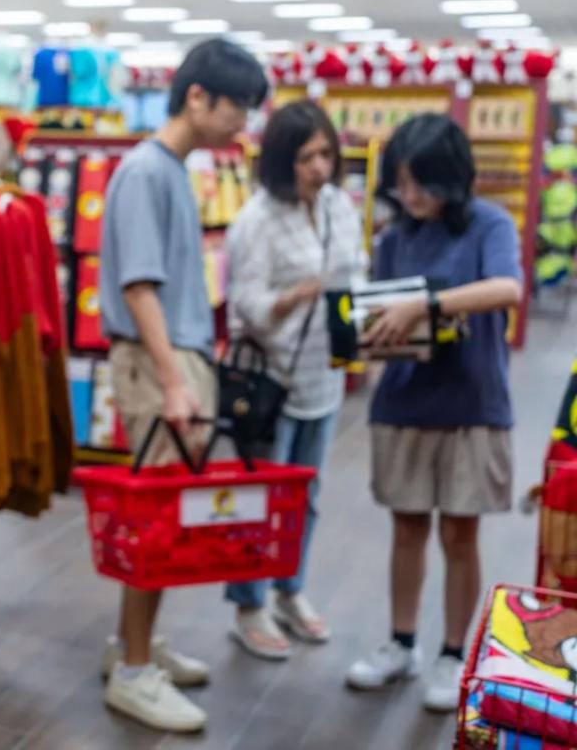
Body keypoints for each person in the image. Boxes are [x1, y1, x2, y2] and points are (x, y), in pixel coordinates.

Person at [97, 38, 268, 732]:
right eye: (237, 107)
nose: (243, 123)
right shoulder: (146, 171)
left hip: (173, 356)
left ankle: (133, 646)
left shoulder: (167, 168)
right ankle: (135, 670)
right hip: (157, 360)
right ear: (197, 96)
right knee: (158, 516)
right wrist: (174, 380)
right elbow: (139, 287)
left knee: (164, 511)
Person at [344, 114, 522, 712]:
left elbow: (507, 289)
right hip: (405, 401)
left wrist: (426, 305)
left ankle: (452, 653)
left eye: (421, 181)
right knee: (408, 527)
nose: (410, 194)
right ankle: (400, 644)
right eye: (401, 182)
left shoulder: (490, 224)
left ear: (451, 176)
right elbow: (379, 312)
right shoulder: (396, 238)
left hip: (473, 404)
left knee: (460, 534)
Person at [223, 100, 366, 659]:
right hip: (270, 380)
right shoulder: (257, 219)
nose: (319, 168)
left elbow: (355, 272)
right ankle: (248, 604)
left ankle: (290, 589)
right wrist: (292, 297)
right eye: (307, 157)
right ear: (283, 160)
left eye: (326, 154)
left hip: (322, 375)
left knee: (307, 495)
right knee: (260, 496)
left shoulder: (338, 207)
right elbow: (246, 304)